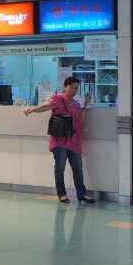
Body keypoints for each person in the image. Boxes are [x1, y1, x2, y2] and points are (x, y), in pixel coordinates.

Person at [25, 76, 95, 205]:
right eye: (72, 87)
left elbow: (80, 120)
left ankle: (81, 194)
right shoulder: (57, 99)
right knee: (60, 167)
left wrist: (85, 105)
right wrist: (33, 109)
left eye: (76, 88)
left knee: (78, 168)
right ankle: (62, 194)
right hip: (59, 140)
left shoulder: (75, 103)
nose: (74, 90)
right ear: (65, 86)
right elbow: (46, 106)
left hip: (74, 141)